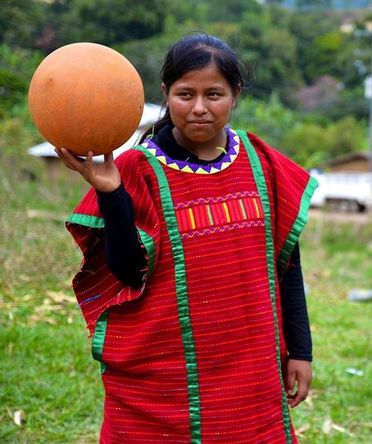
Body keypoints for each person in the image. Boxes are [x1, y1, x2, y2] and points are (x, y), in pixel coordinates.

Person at [55, 33, 317, 443]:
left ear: (235, 95)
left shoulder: (263, 163)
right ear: (165, 94)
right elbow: (126, 271)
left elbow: (287, 266)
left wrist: (300, 350)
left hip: (253, 376)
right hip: (167, 384)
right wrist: (110, 193)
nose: (198, 108)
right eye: (184, 94)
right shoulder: (135, 170)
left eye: (213, 94)